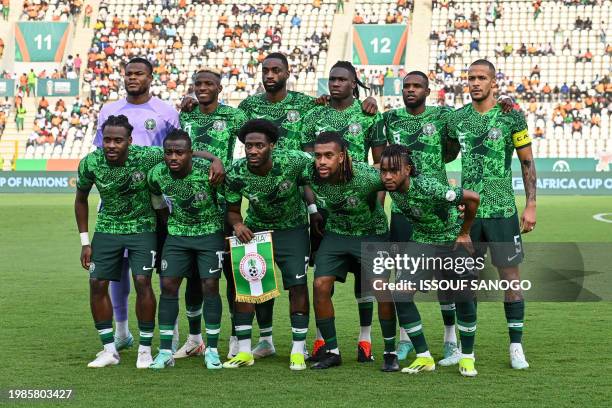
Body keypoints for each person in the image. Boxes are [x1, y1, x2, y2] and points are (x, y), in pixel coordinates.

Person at [446, 59, 537, 370]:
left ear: (493, 83)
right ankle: (464, 348)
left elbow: (526, 162)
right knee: (464, 281)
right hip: (469, 215)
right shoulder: (457, 119)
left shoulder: (511, 116)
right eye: (470, 77)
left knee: (510, 278)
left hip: (501, 211)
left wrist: (531, 204)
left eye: (481, 77)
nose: (474, 82)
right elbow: (439, 154)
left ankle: (516, 347)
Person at [93, 57, 182, 353]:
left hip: (157, 204)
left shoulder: (166, 112)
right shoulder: (109, 110)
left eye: (139, 74)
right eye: (128, 73)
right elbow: (100, 153)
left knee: (164, 269)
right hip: (117, 204)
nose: (132, 78)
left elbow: (178, 152)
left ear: (150, 77)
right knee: (118, 268)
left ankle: (172, 329)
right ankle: (121, 331)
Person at [301, 61, 386, 363]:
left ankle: (366, 339)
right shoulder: (314, 114)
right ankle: (324, 341)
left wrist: (376, 203)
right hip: (326, 214)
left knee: (366, 281)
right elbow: (305, 167)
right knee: (322, 279)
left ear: (354, 83)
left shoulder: (368, 114)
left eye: (342, 79)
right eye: (332, 79)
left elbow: (380, 165)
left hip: (361, 206)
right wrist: (313, 208)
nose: (335, 84)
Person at [379, 144, 481, 376]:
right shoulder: (389, 183)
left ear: (408, 170)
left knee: (464, 294)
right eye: (383, 171)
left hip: (451, 241)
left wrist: (464, 232)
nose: (387, 176)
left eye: (393, 170)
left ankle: (467, 357)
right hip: (422, 241)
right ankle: (424, 357)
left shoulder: (429, 187)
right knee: (401, 293)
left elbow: (473, 198)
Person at [74, 115, 164, 368]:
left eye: (118, 140)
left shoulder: (147, 156)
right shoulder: (91, 162)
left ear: (129, 141)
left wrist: (213, 160)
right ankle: (109, 350)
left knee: (143, 281)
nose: (111, 145)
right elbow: (80, 199)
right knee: (96, 283)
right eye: (107, 140)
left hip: (143, 228)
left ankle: (145, 350)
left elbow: (181, 151)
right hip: (107, 228)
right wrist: (85, 242)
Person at [223, 119, 313, 371]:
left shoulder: (294, 161)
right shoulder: (236, 171)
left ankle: (298, 349)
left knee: (297, 285)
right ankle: (245, 350)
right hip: (256, 231)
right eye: (248, 146)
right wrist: (238, 225)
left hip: (292, 230)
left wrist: (315, 211)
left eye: (259, 145)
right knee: (249, 285)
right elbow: (231, 210)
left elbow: (314, 180)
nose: (252, 150)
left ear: (272, 145)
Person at [304, 132, 394, 370]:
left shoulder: (365, 176)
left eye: (328, 156)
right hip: (337, 234)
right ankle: (332, 351)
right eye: (318, 156)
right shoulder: (309, 171)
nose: (322, 161)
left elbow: (399, 181)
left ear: (342, 157)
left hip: (371, 234)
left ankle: (390, 352)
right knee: (320, 284)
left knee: (381, 289)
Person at [173, 69, 246, 360]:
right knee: (193, 276)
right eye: (198, 84)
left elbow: (257, 138)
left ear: (219, 87)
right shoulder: (185, 115)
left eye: (208, 84)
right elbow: (179, 151)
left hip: (222, 206)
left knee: (229, 275)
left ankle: (235, 336)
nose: (202, 88)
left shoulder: (233, 116)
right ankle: (194, 338)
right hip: (190, 208)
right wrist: (212, 157)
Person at [148, 130, 225, 370]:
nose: (174, 157)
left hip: (209, 233)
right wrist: (167, 220)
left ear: (190, 154)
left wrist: (215, 159)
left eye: (180, 153)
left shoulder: (209, 172)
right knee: (168, 286)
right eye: (169, 152)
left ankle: (211, 350)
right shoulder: (157, 174)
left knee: (210, 286)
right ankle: (164, 352)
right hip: (177, 235)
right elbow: (156, 198)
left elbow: (224, 202)